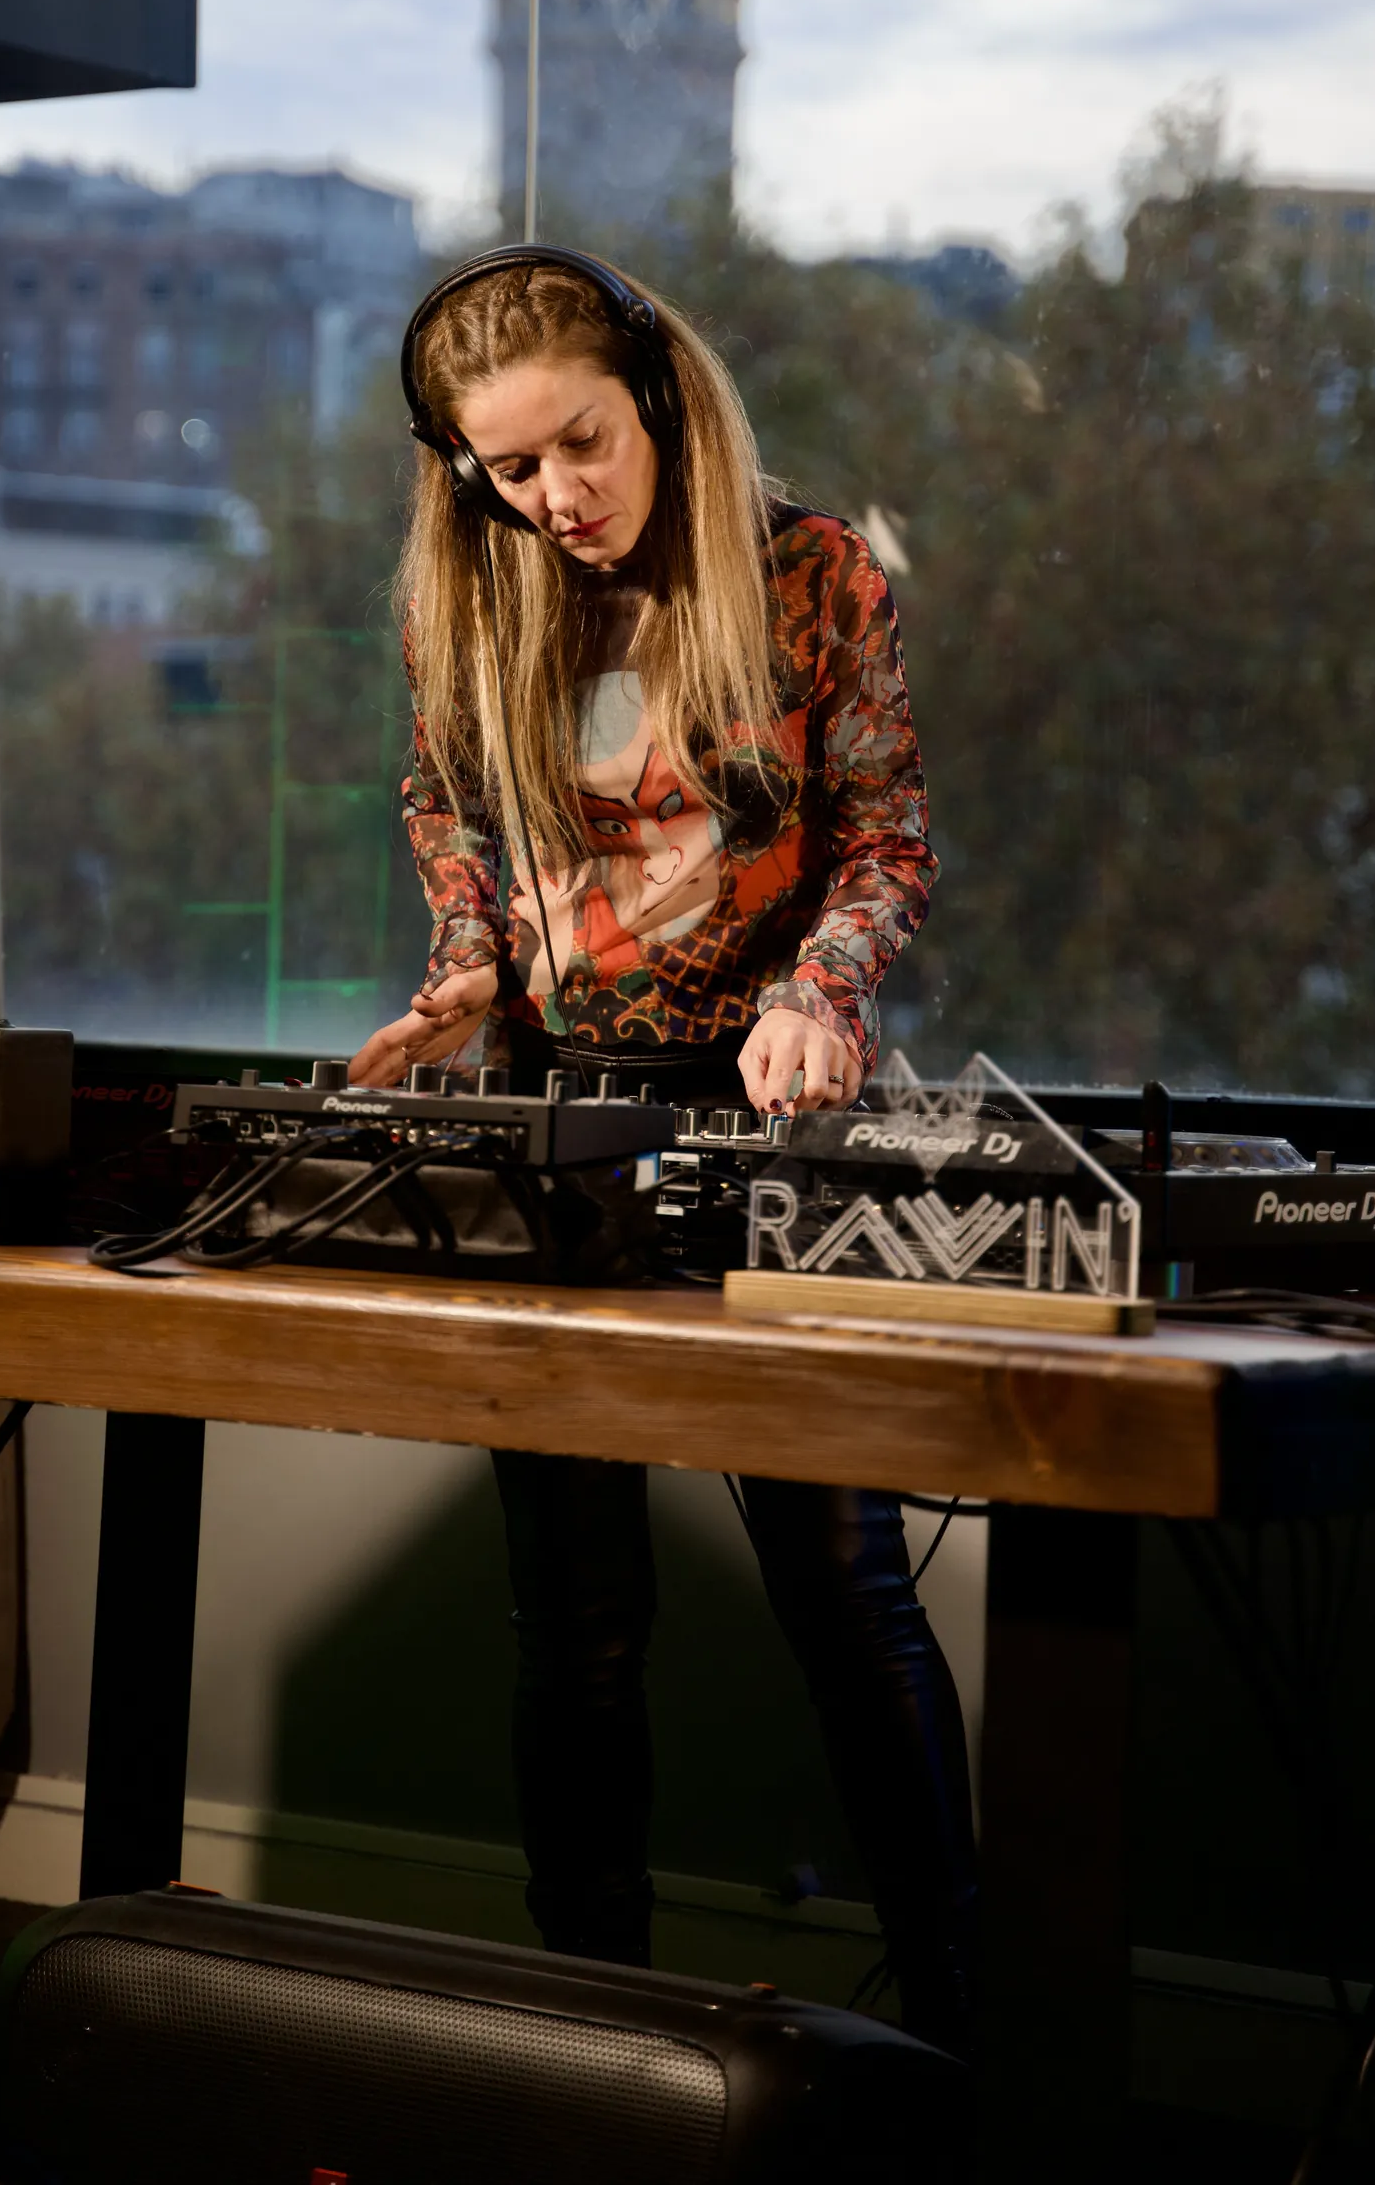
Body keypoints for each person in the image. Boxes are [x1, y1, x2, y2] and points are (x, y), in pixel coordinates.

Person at [350, 243, 976, 2051]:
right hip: (562, 1119)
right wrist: (468, 971)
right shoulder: (470, 594)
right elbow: (449, 809)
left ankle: (964, 2043)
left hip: (772, 1113)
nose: (557, 494)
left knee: (846, 1593)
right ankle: (594, 2044)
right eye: (511, 468)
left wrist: (824, 992)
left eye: (584, 443)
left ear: (661, 398)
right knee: (576, 1621)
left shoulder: (810, 572)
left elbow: (889, 838)